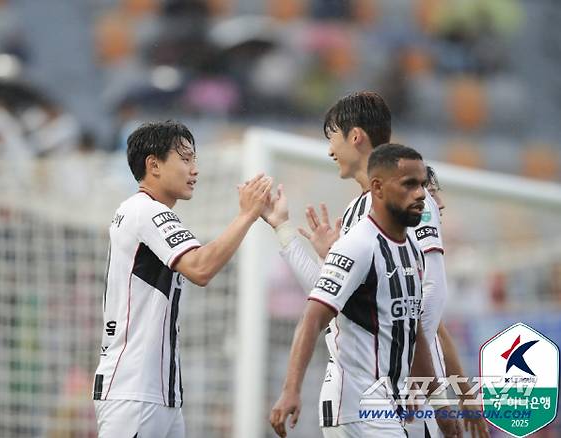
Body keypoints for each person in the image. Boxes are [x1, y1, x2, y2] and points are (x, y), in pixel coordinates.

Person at [263, 91, 488, 437]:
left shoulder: (410, 205)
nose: (329, 150)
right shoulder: (359, 216)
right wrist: (288, 233)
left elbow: (426, 302)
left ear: (355, 136)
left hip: (400, 390)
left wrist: (438, 389)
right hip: (370, 392)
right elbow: (330, 303)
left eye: (331, 137)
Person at [92, 121, 271, 438]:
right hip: (135, 393)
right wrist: (247, 215)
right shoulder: (145, 210)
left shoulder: (142, 211)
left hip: (159, 394)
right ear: (154, 165)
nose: (195, 170)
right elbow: (201, 268)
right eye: (185, 159)